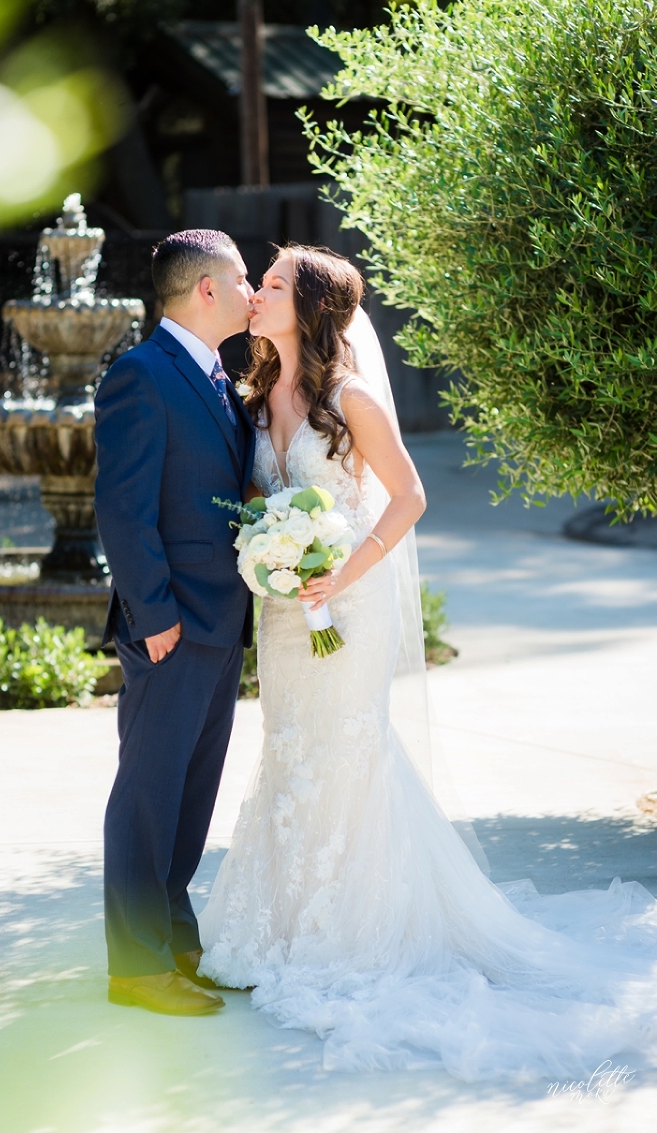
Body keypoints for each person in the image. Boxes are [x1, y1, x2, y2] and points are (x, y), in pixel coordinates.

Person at [198, 245, 657, 1079]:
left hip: (350, 602)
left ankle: (350, 931)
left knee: (346, 748)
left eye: (271, 285)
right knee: (292, 747)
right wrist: (272, 549)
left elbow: (409, 495)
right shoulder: (256, 396)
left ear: (310, 308)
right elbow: (260, 496)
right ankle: (284, 924)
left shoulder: (352, 397)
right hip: (287, 610)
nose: (256, 294)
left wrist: (344, 569)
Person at [94, 229, 255, 1016]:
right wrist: (153, 612)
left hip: (221, 619)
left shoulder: (222, 376)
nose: (253, 291)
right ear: (207, 290)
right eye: (244, 278)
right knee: (147, 796)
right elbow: (123, 508)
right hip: (171, 624)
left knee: (190, 798)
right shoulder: (141, 374)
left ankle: (176, 945)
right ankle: (136, 969)